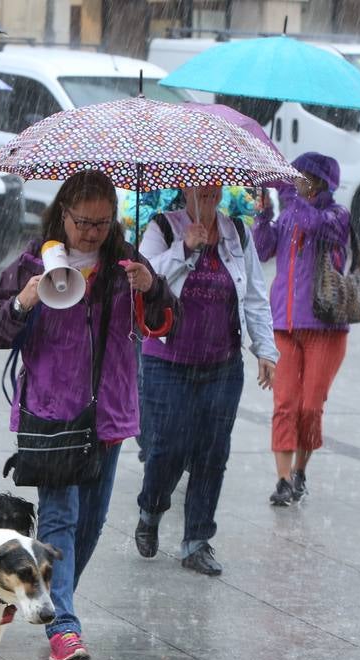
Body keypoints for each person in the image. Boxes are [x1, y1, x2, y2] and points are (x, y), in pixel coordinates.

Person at [0, 170, 175, 660]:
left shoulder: (126, 265)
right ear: (62, 213)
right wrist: (25, 299)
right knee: (60, 520)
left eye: (103, 223)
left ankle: (45, 598)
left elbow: (161, 325)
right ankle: (64, 626)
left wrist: (151, 287)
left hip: (107, 413)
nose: (92, 232)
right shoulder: (32, 261)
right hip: (50, 411)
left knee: (88, 526)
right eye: (83, 222)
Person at [134, 184, 278, 576]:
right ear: (185, 187)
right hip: (168, 360)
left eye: (215, 186)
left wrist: (265, 349)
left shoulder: (238, 233)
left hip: (222, 364)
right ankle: (151, 508)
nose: (209, 194)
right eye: (201, 187)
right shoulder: (162, 227)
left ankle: (197, 540)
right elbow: (142, 277)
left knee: (213, 453)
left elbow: (254, 296)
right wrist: (183, 248)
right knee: (166, 449)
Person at [252, 152, 351, 505]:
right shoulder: (290, 215)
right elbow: (262, 250)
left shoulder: (337, 215)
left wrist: (290, 199)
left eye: (303, 177)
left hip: (325, 328)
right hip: (284, 324)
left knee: (310, 406)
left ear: (322, 181)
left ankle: (300, 471)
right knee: (285, 404)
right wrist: (263, 216)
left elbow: (317, 226)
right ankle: (282, 480)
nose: (296, 183)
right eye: (294, 177)